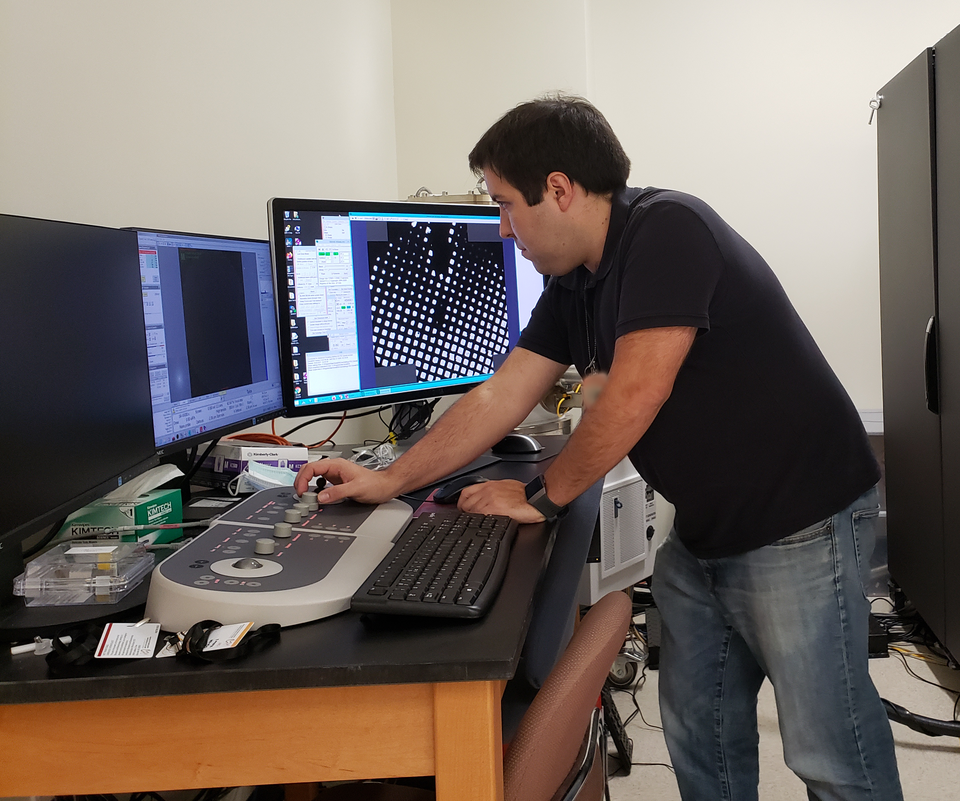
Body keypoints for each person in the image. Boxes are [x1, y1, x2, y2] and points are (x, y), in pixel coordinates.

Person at [295, 95, 903, 800]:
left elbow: (635, 396)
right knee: (700, 737)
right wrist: (388, 479)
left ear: (559, 188)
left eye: (504, 204)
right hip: (709, 531)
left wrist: (543, 496)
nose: (501, 226)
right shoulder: (575, 283)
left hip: (802, 520)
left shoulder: (670, 229)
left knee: (832, 750)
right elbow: (502, 394)